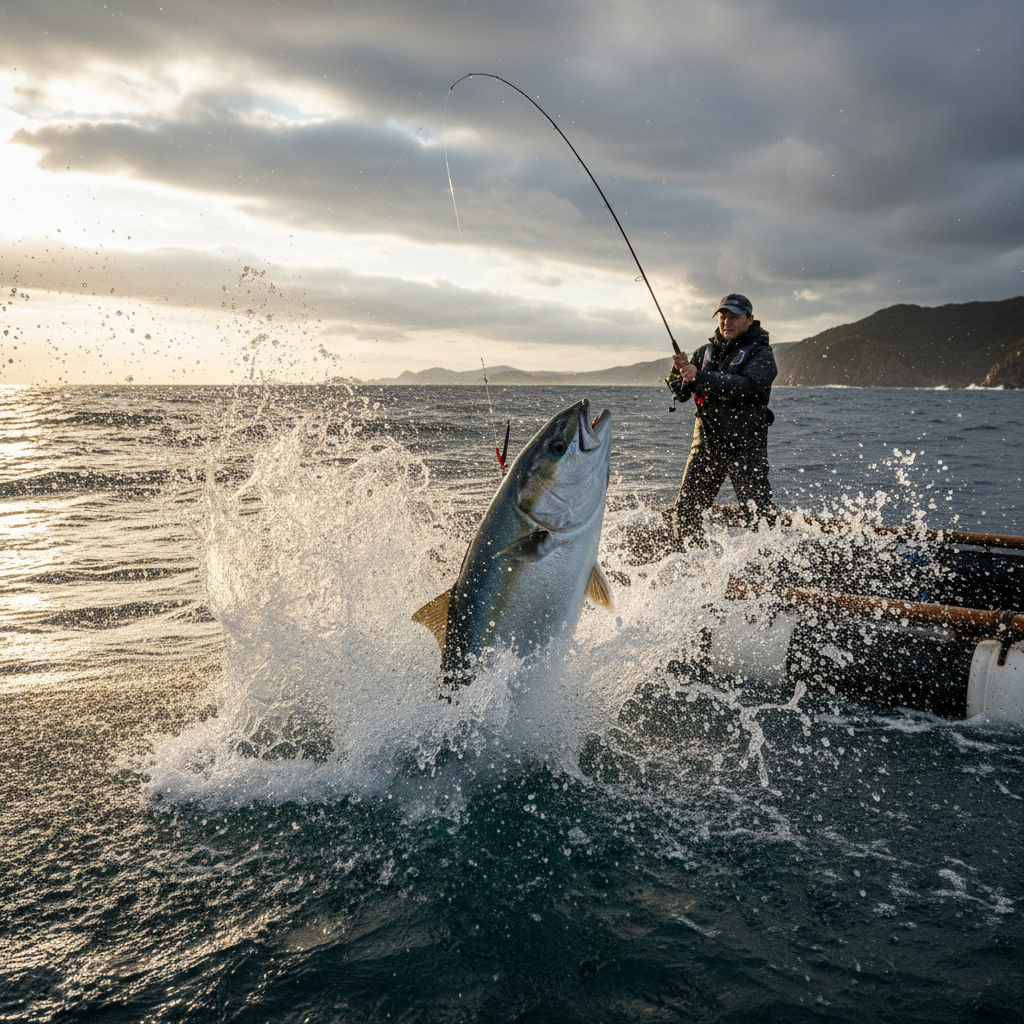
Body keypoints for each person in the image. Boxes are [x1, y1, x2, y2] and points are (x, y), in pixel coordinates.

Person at [665, 293, 777, 547]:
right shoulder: (703, 352)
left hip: (746, 447)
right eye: (723, 317)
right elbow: (681, 393)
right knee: (686, 515)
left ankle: (769, 569)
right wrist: (679, 370)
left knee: (758, 517)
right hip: (706, 446)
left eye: (734, 317)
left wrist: (701, 377)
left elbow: (751, 387)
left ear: (749, 319)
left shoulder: (762, 353)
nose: (727, 322)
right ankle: (691, 562)